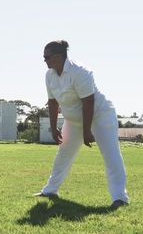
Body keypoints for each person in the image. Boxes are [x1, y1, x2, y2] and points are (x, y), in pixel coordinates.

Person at [35, 40, 129, 208]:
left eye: (46, 57)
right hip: (73, 120)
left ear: (58, 56)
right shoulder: (49, 75)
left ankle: (120, 198)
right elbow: (52, 102)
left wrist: (87, 132)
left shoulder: (80, 72)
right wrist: (54, 127)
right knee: (63, 154)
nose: (44, 61)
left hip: (100, 116)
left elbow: (88, 102)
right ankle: (50, 190)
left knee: (111, 155)